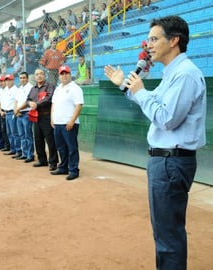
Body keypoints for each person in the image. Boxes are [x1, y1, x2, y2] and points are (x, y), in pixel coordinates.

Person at [104, 16, 206, 270]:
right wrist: (128, 88)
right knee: (165, 231)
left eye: (154, 38)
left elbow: (165, 118)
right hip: (165, 161)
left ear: (174, 40)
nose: (148, 45)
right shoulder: (172, 73)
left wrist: (138, 90)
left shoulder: (185, 75)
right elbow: (153, 103)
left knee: (168, 236)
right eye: (148, 39)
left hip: (171, 162)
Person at [51, 65, 84, 180]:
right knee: (61, 147)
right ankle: (63, 167)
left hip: (69, 123)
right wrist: (52, 118)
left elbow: (79, 105)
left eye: (66, 73)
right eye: (62, 74)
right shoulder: (58, 88)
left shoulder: (75, 88)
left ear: (70, 74)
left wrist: (72, 121)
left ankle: (74, 169)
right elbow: (53, 104)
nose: (64, 76)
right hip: (58, 123)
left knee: (71, 147)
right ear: (59, 76)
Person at [27, 69, 58, 171]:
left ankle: (53, 162)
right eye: (37, 74)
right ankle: (42, 160)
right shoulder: (33, 89)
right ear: (34, 77)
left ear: (45, 76)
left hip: (46, 116)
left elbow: (49, 98)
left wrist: (37, 104)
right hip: (36, 117)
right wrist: (30, 103)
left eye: (41, 74)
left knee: (50, 140)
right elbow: (28, 99)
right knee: (38, 139)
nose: (39, 76)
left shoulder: (49, 86)